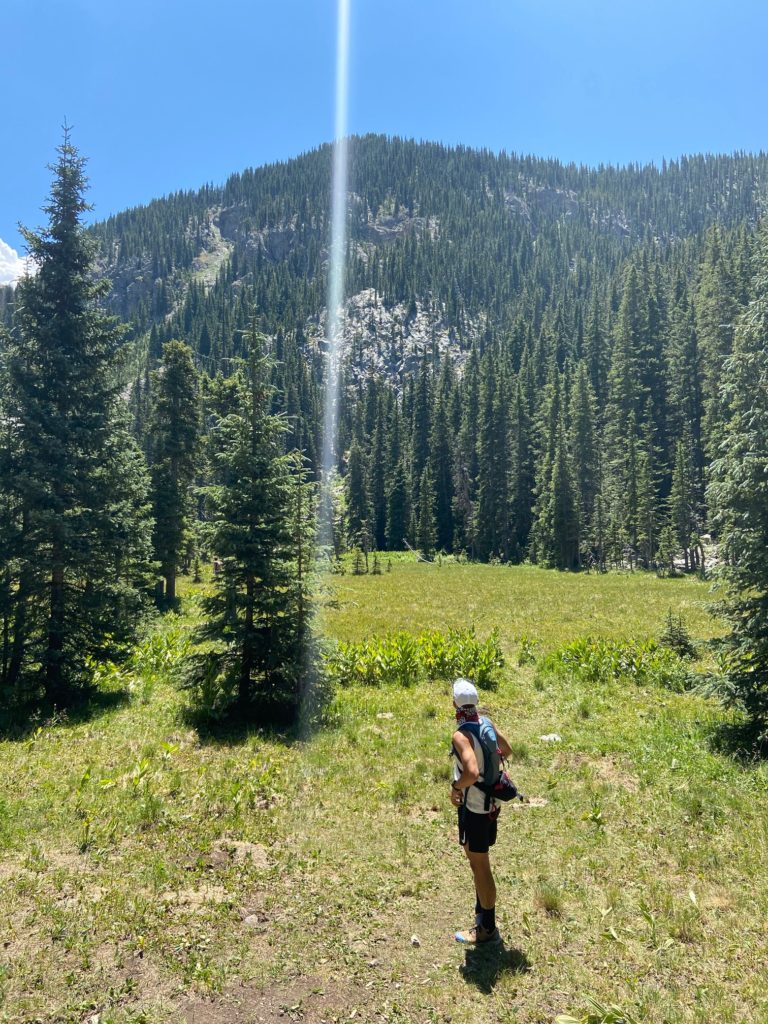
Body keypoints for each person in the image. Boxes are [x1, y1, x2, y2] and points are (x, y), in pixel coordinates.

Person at [450, 677, 512, 944]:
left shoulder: (461, 735)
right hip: (491, 807)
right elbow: (507, 750)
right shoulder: (486, 722)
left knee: (481, 865)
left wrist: (457, 786)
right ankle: (481, 914)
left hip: (474, 808)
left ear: (454, 703)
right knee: (477, 862)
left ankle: (487, 929)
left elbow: (471, 771)